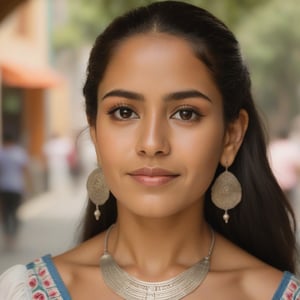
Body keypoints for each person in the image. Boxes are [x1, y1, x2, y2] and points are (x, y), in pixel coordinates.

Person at [0, 1, 299, 299]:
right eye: (124, 112)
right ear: (94, 131)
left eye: (186, 113)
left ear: (230, 137)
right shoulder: (22, 292)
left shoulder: (277, 294)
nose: (152, 144)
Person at [0, 132, 29, 250]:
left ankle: (8, 236)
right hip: (17, 187)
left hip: (3, 187)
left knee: (5, 213)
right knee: (15, 212)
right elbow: (25, 170)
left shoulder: (1, 153)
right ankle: (14, 235)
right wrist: (27, 186)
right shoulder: (19, 153)